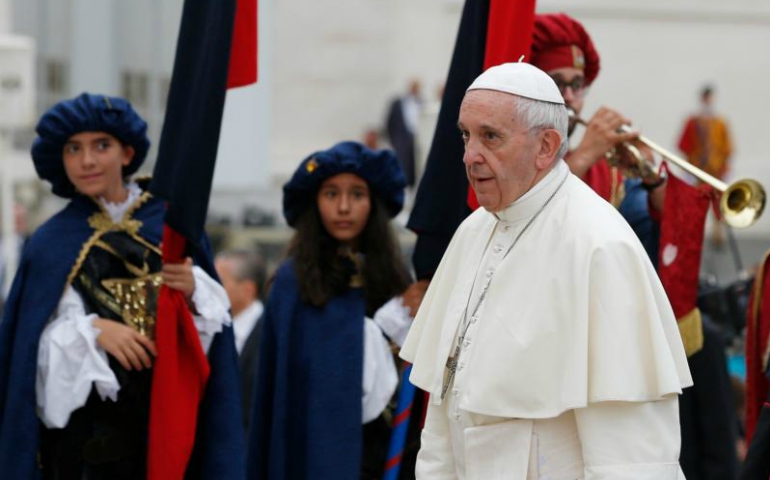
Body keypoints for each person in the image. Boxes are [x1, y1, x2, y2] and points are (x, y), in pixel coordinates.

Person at [400, 62, 692, 479]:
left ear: (546, 146)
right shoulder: (472, 232)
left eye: (490, 137)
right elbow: (444, 421)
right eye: (466, 135)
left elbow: (632, 458)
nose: (469, 155)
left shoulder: (600, 246)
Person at [0, 93, 244, 478]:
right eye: (73, 149)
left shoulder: (173, 226)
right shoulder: (50, 242)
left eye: (101, 145)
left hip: (167, 425)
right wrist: (92, 331)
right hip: (84, 446)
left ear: (127, 153)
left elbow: (213, 342)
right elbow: (28, 353)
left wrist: (192, 290)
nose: (87, 161)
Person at [247, 141, 417, 479]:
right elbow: (283, 385)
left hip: (382, 451)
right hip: (312, 449)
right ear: (315, 203)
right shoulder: (292, 283)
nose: (343, 207)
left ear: (373, 203)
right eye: (331, 194)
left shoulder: (393, 281)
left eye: (356, 194)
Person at [215, 248, 267, 429]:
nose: (212, 289)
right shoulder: (211, 327)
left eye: (219, 282)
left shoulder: (270, 334)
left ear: (248, 289)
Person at [677, 85, 733, 247]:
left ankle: (717, 234)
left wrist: (724, 166)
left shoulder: (720, 122)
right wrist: (689, 166)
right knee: (696, 202)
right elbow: (684, 144)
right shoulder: (693, 121)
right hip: (698, 171)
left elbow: (727, 147)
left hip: (715, 170)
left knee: (718, 203)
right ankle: (696, 235)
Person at [386, 79, 422, 187]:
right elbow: (390, 123)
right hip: (402, 141)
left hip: (417, 140)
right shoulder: (398, 103)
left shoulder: (422, 103)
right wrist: (394, 141)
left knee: (416, 167)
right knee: (403, 167)